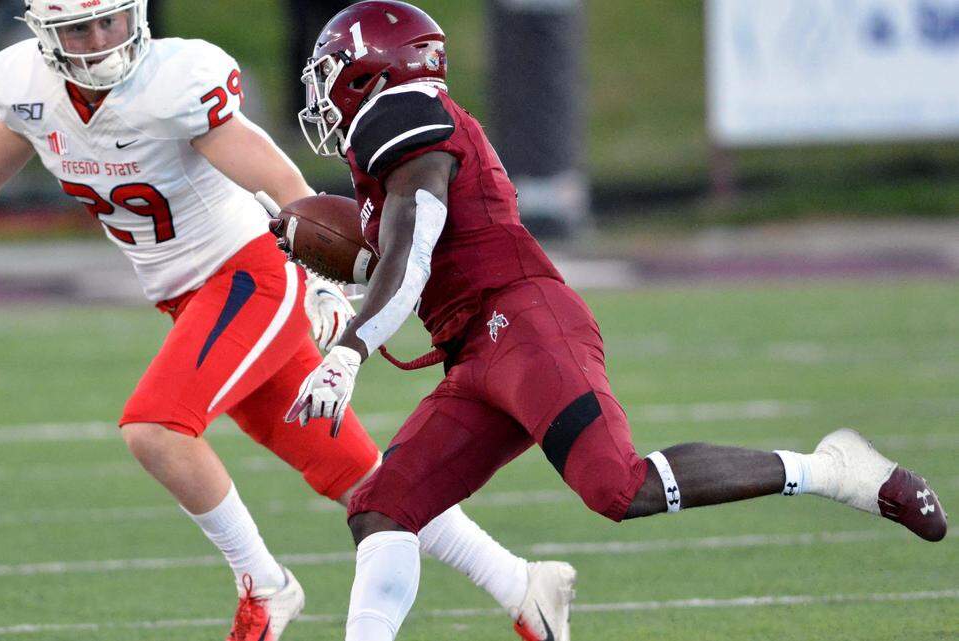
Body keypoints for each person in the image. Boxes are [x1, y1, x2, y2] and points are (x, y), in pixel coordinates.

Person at [0, 2, 574, 640]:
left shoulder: (171, 83)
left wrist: (319, 280)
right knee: (360, 476)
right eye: (82, 31)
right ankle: (522, 584)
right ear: (46, 35)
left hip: (250, 275)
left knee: (157, 428)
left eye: (113, 23)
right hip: (188, 297)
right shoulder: (29, 86)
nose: (102, 43)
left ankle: (264, 583)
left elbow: (286, 189)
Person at [285, 2, 950, 640]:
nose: (321, 94)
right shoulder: (398, 147)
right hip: (476, 350)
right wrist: (312, 261)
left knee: (618, 486)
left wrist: (348, 352)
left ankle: (834, 469)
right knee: (382, 505)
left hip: (524, 327)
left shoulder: (401, 115)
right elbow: (395, 258)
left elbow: (412, 253)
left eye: (330, 74)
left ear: (373, 73)